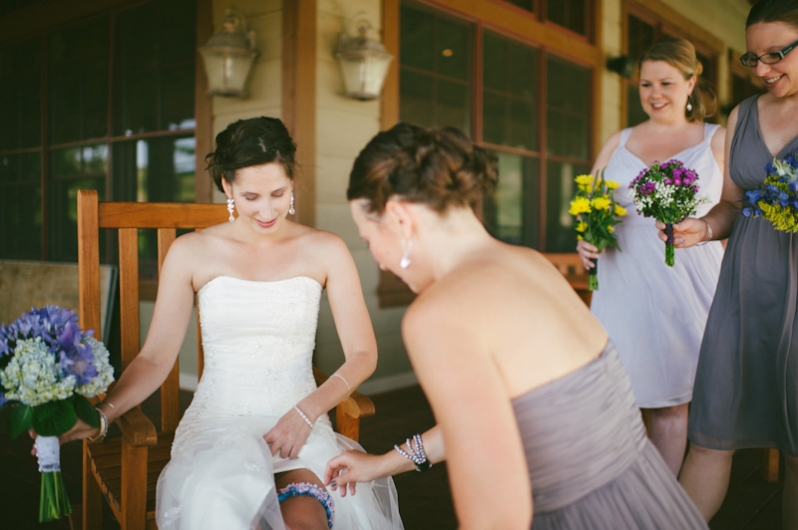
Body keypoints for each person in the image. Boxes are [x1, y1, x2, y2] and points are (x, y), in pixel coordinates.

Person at [326, 123, 708, 529]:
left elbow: (496, 514)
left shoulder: (439, 313)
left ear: (400, 218)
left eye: (370, 241)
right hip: (648, 501)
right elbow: (500, 415)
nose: (380, 261)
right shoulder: (530, 264)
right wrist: (382, 464)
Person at [54, 117, 403, 529]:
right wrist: (103, 416)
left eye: (278, 192)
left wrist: (306, 413)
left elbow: (363, 354)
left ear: (293, 182)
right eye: (251, 196)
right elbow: (154, 359)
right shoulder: (191, 252)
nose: (267, 209)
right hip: (218, 429)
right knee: (227, 516)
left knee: (306, 522)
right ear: (227, 186)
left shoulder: (326, 250)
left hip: (302, 428)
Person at [663, 0, 798, 526]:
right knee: (711, 433)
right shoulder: (743, 115)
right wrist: (703, 228)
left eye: (776, 55)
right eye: (753, 59)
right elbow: (731, 205)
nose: (763, 70)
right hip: (743, 294)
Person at [576, 37, 726, 477]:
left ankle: (662, 511)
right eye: (645, 84)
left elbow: (734, 207)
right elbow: (591, 203)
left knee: (671, 404)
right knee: (615, 398)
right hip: (623, 279)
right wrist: (586, 238)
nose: (654, 94)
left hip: (688, 277)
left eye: (666, 82)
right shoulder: (619, 140)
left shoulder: (716, 138)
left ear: (691, 81)